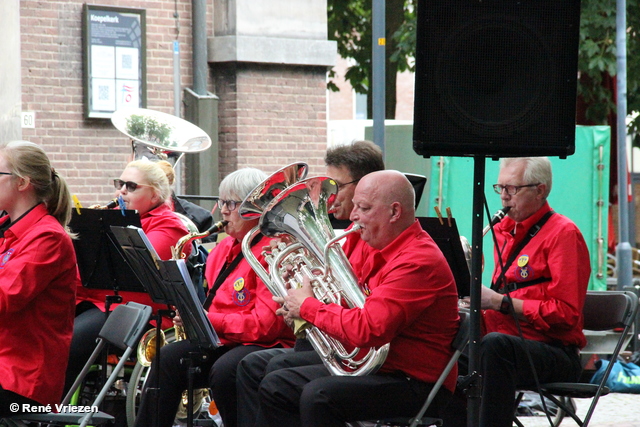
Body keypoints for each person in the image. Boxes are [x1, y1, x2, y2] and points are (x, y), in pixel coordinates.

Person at [257, 170, 460, 426]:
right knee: (276, 380)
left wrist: (308, 306)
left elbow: (369, 329)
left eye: (363, 208)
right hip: (381, 365)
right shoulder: (379, 246)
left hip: (415, 381)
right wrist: (302, 297)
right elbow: (350, 307)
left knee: (316, 396)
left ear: (394, 212)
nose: (353, 216)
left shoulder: (416, 261)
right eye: (355, 206)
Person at [235, 140, 385, 426]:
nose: (330, 196)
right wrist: (296, 299)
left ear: (365, 184)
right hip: (338, 338)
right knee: (250, 366)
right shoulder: (346, 235)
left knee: (277, 375)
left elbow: (364, 314)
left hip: (362, 351)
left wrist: (308, 306)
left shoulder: (369, 238)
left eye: (336, 186)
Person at [134, 167, 295, 427]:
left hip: (267, 344)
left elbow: (267, 326)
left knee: (225, 371)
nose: (223, 210)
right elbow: (215, 305)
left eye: (231, 203)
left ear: (254, 209)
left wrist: (210, 321)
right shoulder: (221, 250)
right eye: (222, 202)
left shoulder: (274, 251)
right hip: (226, 339)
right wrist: (191, 317)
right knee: (167, 359)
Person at [463, 157, 590, 427]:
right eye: (500, 188)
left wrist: (500, 303)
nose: (504, 198)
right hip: (505, 344)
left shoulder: (564, 234)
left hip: (554, 351)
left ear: (540, 190)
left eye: (513, 189)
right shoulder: (503, 230)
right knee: (451, 339)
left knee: (494, 347)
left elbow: (566, 314)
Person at [65, 159, 191, 394]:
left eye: (131, 186)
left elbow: (134, 268)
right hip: (96, 302)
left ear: (154, 195)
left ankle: (49, 408)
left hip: (138, 312)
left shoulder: (171, 227)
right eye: (120, 184)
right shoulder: (107, 219)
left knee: (69, 342)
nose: (121, 190)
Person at [0, 140, 80, 416]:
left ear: (22, 183)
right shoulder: (9, 228)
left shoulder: (47, 238)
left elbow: (5, 298)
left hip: (21, 380)